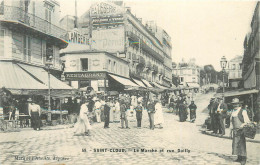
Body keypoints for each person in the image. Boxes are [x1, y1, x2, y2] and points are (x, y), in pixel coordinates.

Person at [230, 98, 250, 165]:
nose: (235, 105)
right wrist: (231, 130)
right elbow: (231, 122)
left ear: (239, 104)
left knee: (242, 144)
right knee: (236, 144)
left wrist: (242, 125)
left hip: (241, 130)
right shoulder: (233, 111)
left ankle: (243, 158)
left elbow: (247, 121)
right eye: (233, 104)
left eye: (236, 104)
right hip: (235, 130)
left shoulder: (243, 111)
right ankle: (239, 157)